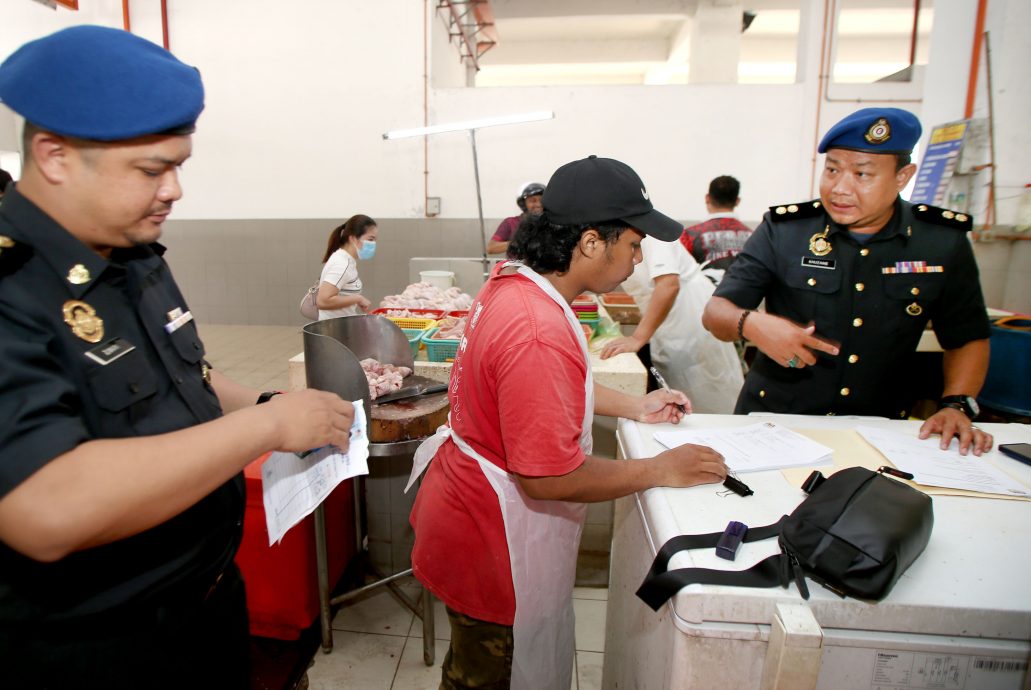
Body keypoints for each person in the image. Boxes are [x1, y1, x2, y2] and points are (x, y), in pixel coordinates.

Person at [0, 26, 355, 689]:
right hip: (94, 648)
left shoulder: (130, 252)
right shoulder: (12, 288)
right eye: (151, 169)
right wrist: (266, 428)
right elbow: (41, 509)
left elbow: (183, 374)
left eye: (178, 167)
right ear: (53, 156)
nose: (174, 192)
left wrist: (267, 404)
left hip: (207, 606)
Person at [408, 155, 728, 690]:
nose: (638, 257)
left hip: (467, 513)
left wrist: (634, 404)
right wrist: (658, 469)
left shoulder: (517, 283)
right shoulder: (537, 327)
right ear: (590, 243)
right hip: (491, 541)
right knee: (485, 677)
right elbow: (546, 477)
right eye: (632, 243)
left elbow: (546, 391)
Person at [702, 107, 994, 456]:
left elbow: (967, 336)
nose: (840, 188)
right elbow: (716, 312)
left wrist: (956, 405)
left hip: (880, 431)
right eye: (832, 170)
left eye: (862, 174)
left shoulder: (940, 241)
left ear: (903, 176)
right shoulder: (785, 231)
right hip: (775, 423)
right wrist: (751, 324)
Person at [600, 236, 743, 413]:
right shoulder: (614, 234)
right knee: (681, 395)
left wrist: (637, 338)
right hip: (669, 321)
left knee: (707, 395)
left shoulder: (652, 233)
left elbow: (668, 285)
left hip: (690, 314)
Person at [680, 174, 753, 279]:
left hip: (704, 294)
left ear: (707, 198)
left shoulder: (689, 235)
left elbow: (678, 273)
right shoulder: (754, 236)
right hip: (744, 294)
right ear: (737, 201)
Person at [316, 213, 377, 319]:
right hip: (335, 331)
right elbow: (323, 301)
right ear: (353, 239)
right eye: (370, 239)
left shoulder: (346, 260)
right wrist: (358, 299)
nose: (373, 244)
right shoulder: (341, 264)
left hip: (343, 328)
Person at [486, 181, 544, 255]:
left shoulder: (551, 222)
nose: (539, 204)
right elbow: (491, 248)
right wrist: (518, 242)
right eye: (532, 201)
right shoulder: (511, 222)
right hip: (518, 265)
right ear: (523, 204)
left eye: (542, 200)